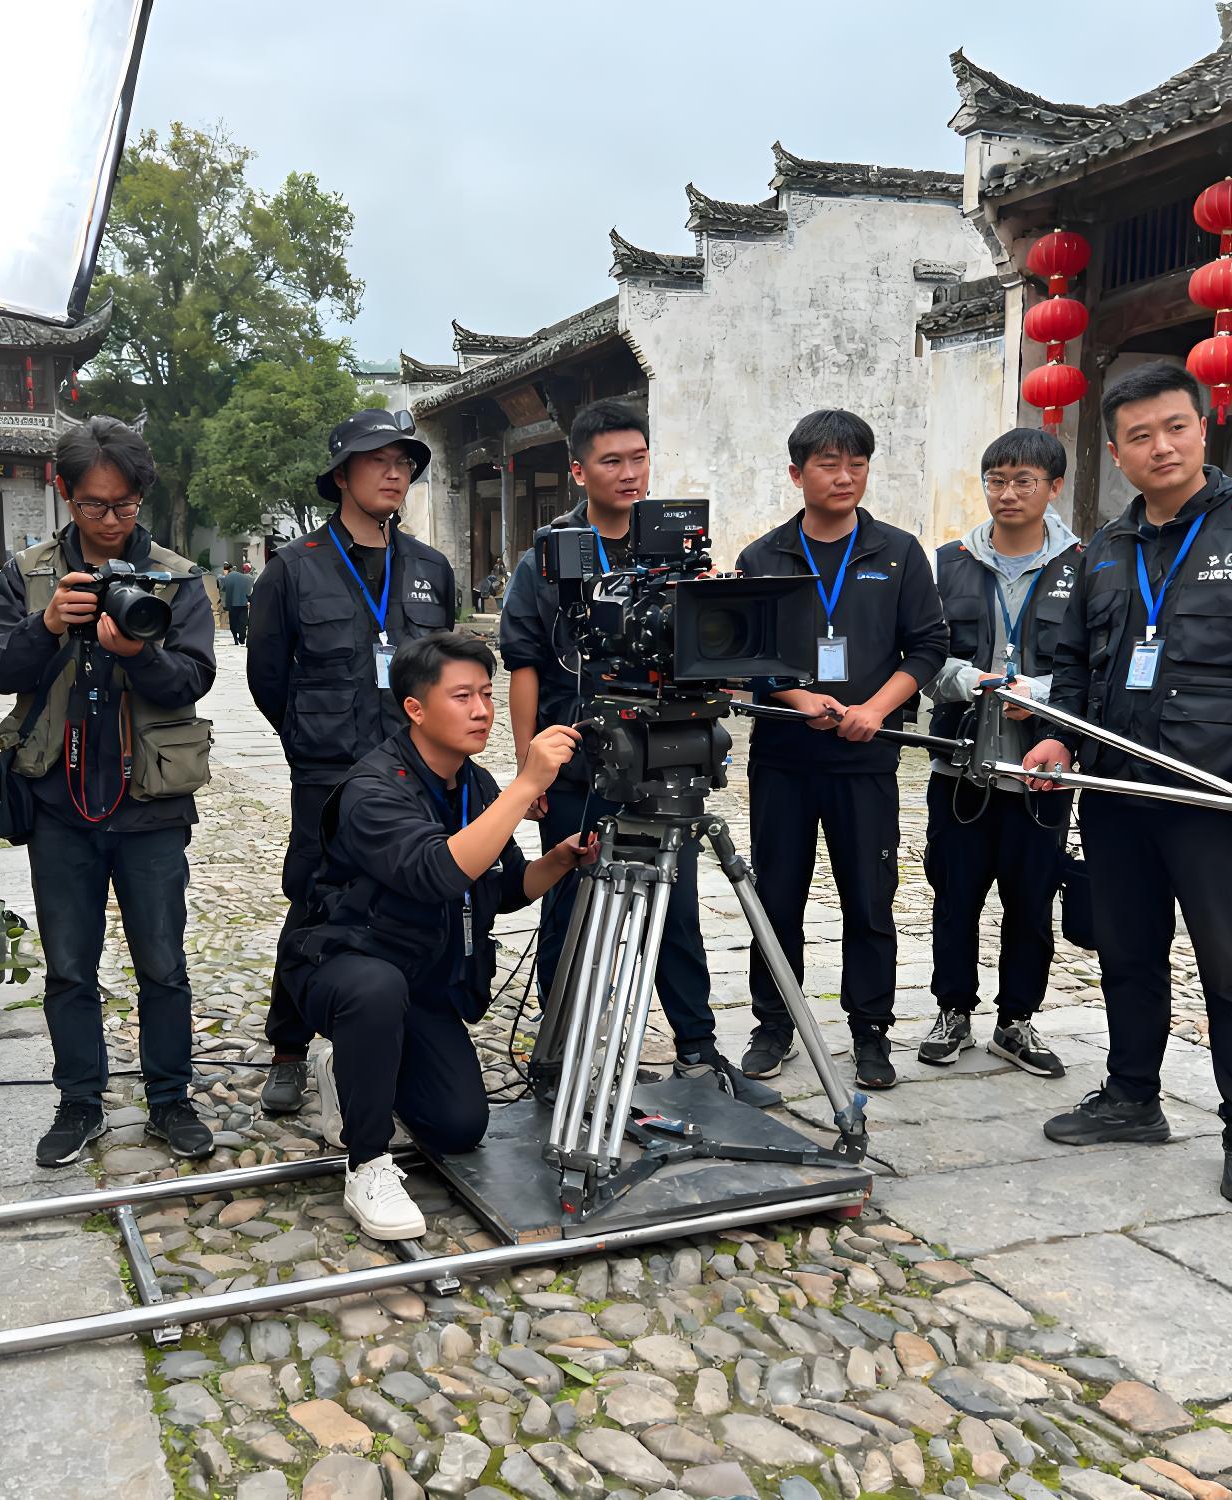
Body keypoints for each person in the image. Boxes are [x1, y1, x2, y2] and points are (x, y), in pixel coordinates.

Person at [1021, 363, 1232, 1205]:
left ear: (1202, 429)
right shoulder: (1106, 550)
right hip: (1118, 790)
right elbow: (1074, 663)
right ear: (1117, 452)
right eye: (1140, 436)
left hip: (1213, 792)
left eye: (1175, 427)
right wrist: (1058, 736)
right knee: (1127, 951)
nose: (1160, 446)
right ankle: (1133, 1096)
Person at [279, 632, 597, 1238]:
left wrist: (558, 860)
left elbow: (502, 887)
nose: (482, 711)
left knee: (457, 1127)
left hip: (424, 978)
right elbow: (437, 874)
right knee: (374, 991)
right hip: (345, 964)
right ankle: (367, 1164)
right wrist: (526, 785)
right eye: (462, 697)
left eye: (487, 694)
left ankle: (355, 1070)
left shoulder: (473, 784)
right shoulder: (372, 788)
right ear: (415, 709)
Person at [501, 399, 769, 1101]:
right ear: (579, 470)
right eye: (612, 461)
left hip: (663, 756)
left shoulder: (679, 549)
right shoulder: (549, 557)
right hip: (577, 760)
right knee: (569, 909)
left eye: (639, 458)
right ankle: (560, 1060)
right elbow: (524, 664)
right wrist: (530, 770)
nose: (629, 473)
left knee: (676, 911)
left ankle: (699, 1052)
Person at [0, 416, 219, 1167]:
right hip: (58, 801)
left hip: (151, 802)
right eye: (93, 505)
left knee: (163, 964)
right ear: (65, 493)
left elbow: (194, 678)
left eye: (124, 505)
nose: (110, 521)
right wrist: (47, 624)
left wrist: (138, 654)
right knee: (70, 966)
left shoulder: (175, 576)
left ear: (142, 496)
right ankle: (79, 1100)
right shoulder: (30, 573)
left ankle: (170, 1099)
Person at [247, 410, 456, 1117]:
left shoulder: (429, 568)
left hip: (412, 768)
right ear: (341, 475)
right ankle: (287, 1047)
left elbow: (443, 670)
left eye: (404, 463)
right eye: (378, 462)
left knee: (415, 893)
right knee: (312, 899)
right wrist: (312, 737)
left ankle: (401, 1032)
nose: (395, 474)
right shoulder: (293, 568)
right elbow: (268, 677)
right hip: (329, 773)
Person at [736, 409, 948, 1092]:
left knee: (869, 897)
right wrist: (800, 699)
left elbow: (928, 646)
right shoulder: (764, 557)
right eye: (828, 464)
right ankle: (773, 1024)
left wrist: (876, 710)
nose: (845, 476)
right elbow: (746, 652)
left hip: (867, 759)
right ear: (797, 473)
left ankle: (871, 1029)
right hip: (784, 760)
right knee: (776, 895)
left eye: (857, 463)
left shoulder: (898, 553)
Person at [918, 427, 1083, 1078]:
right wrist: (972, 681)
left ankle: (1017, 1020)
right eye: (996, 480)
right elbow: (922, 655)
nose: (1007, 493)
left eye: (1023, 481)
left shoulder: (1086, 566)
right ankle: (952, 1010)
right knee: (954, 895)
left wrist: (1038, 695)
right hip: (959, 762)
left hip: (1043, 771)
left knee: (1032, 902)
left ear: (1053, 487)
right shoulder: (949, 562)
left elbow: (1092, 664)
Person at [219, 561, 254, 646]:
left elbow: (223, 587)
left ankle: (236, 638)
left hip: (232, 604)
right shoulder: (250, 578)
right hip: (243, 604)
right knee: (243, 622)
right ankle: (242, 638)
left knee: (233, 622)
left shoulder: (228, 576)